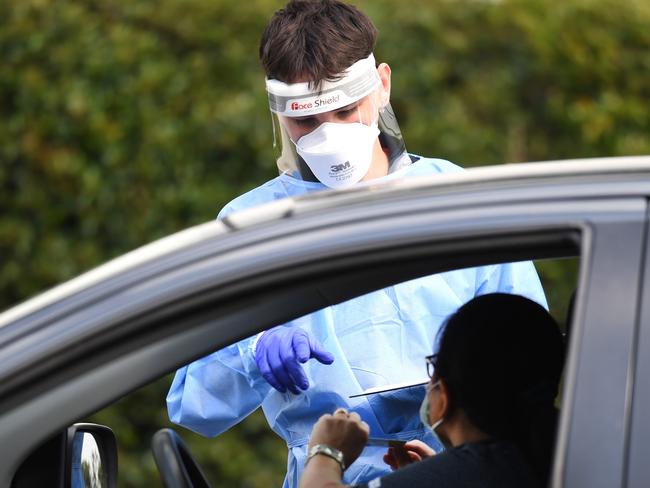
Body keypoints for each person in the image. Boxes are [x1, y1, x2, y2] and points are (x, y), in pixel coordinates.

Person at [166, 1, 547, 487]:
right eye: (307, 121)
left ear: (381, 84)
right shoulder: (252, 225)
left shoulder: (455, 200)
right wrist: (252, 350)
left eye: (345, 110)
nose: (330, 136)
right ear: (279, 114)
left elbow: (531, 361)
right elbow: (195, 404)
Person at [300, 293, 565, 488]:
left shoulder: (462, 474)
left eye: (432, 368)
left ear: (445, 393)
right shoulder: (571, 458)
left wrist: (326, 452)